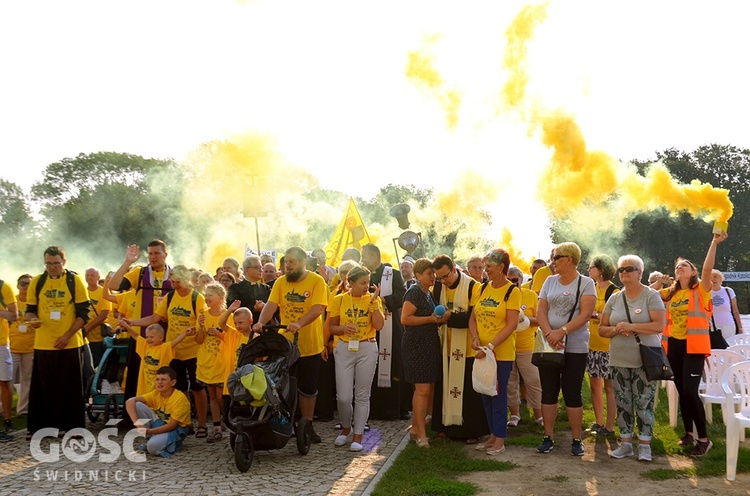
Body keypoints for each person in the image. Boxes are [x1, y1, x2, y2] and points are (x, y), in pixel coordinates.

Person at [660, 231, 727, 456]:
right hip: (675, 347)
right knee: (681, 390)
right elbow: (646, 294)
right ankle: (689, 434)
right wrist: (658, 282)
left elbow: (708, 270)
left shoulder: (700, 290)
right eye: (678, 266)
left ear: (693, 272)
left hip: (694, 347)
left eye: (685, 266)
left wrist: (714, 242)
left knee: (690, 391)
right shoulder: (671, 293)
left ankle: (704, 439)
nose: (680, 268)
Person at [252, 246, 328, 443]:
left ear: (303, 262)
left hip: (310, 344)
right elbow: (271, 305)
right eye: (286, 262)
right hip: (286, 346)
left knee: (308, 387)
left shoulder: (316, 281)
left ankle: (307, 424)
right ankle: (285, 421)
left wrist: (300, 323)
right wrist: (261, 322)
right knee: (284, 384)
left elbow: (318, 309)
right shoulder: (280, 282)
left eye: (292, 262)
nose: (288, 266)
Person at [124, 265, 209, 438]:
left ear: (186, 280)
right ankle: (185, 422)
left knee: (197, 388)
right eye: (172, 281)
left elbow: (203, 323)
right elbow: (154, 318)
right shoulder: (169, 297)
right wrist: (132, 322)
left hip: (193, 351)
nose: (174, 284)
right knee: (179, 388)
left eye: (177, 281)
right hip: (174, 350)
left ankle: (201, 424)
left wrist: (195, 329)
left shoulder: (196, 298)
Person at [599, 255, 666, 462]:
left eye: (629, 269)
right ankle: (626, 443)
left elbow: (659, 326)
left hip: (644, 359)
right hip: (619, 359)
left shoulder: (651, 296)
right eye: (621, 270)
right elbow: (602, 329)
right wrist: (615, 329)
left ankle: (645, 445)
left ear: (640, 273)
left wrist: (631, 327)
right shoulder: (615, 298)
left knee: (643, 403)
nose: (624, 273)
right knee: (623, 402)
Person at [535, 242, 596, 456]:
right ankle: (548, 436)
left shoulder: (586, 283)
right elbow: (541, 310)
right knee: (549, 391)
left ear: (569, 259)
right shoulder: (549, 281)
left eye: (556, 257)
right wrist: (549, 334)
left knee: (572, 393)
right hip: (550, 345)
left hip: (575, 347)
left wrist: (561, 331)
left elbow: (586, 314)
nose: (552, 262)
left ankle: (577, 439)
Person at [26, 246, 90, 439]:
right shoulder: (37, 282)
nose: (52, 267)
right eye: (48, 264)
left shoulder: (74, 280)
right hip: (44, 343)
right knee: (43, 387)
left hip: (70, 343)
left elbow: (83, 315)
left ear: (64, 262)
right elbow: (30, 309)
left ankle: (73, 428)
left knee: (70, 387)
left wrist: (67, 335)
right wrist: (32, 319)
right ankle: (39, 428)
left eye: (56, 263)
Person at [109, 240, 174, 415]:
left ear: (165, 255)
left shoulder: (174, 275)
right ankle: (134, 416)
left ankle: (169, 415)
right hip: (141, 338)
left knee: (167, 378)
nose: (153, 257)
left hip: (167, 338)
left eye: (157, 253)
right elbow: (113, 286)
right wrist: (128, 262)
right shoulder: (140, 273)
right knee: (137, 377)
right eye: (150, 253)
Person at [430, 254, 488, 443]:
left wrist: (449, 318)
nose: (443, 281)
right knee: (446, 388)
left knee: (469, 393)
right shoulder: (439, 286)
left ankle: (471, 431)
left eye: (446, 276)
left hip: (468, 348)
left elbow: (474, 317)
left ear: (455, 269)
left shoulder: (473, 286)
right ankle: (445, 427)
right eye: (439, 278)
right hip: (447, 346)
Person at [468, 249, 521, 455]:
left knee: (497, 395)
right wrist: (475, 338)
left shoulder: (512, 291)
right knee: (485, 393)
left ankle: (500, 439)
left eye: (489, 266)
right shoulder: (482, 288)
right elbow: (473, 318)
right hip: (481, 351)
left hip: (501, 354)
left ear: (501, 267)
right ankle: (492, 435)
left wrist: (490, 347)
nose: (485, 270)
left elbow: (511, 325)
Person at [329, 266, 384, 451]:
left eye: (368, 282)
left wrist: (375, 304)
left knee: (362, 394)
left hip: (367, 346)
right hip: (345, 347)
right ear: (350, 283)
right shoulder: (339, 299)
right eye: (363, 283)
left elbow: (379, 325)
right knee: (343, 396)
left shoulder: (372, 299)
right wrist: (344, 329)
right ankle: (346, 428)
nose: (366, 286)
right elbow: (331, 328)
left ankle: (358, 435)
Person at [401, 258, 447, 448]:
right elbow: (405, 318)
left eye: (434, 274)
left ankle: (416, 429)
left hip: (428, 345)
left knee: (428, 389)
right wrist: (429, 319)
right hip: (416, 346)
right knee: (422, 390)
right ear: (418, 275)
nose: (433, 277)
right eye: (429, 274)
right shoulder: (414, 292)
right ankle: (420, 434)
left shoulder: (427, 293)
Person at [361, 243, 410, 421]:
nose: (362, 259)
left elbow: (402, 297)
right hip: (369, 329)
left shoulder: (393, 274)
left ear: (375, 257)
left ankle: (394, 408)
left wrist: (381, 299)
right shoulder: (362, 276)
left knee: (394, 365)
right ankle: (372, 409)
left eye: (364, 255)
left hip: (390, 328)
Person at [586, 254, 619, 438]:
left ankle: (609, 426)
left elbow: (616, 318)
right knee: (594, 385)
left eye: (592, 267)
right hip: (592, 345)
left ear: (601, 270)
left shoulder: (614, 292)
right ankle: (598, 422)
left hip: (609, 346)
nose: (589, 269)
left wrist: (596, 315)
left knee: (610, 387)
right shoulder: (592, 288)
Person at [506, 266, 543, 428]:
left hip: (527, 346)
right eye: (509, 280)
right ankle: (514, 415)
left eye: (515, 280)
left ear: (522, 280)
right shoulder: (503, 295)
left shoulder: (530, 295)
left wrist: (524, 319)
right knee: (509, 382)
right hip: (506, 346)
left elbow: (540, 319)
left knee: (533, 381)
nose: (512, 283)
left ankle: (539, 415)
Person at [125, 366, 191, 457]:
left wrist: (149, 431)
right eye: (157, 379)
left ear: (173, 382)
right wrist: (137, 423)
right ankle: (154, 438)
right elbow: (129, 401)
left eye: (163, 379)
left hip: (175, 430)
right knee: (137, 405)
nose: (159, 382)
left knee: (152, 448)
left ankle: (173, 443)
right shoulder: (156, 393)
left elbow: (172, 425)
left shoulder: (180, 399)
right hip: (160, 423)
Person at [195, 282, 230, 442]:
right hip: (207, 361)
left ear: (221, 297)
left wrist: (219, 334)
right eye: (206, 295)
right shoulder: (203, 315)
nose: (207, 298)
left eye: (211, 295)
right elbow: (199, 340)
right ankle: (216, 427)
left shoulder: (227, 315)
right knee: (212, 396)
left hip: (222, 361)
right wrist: (201, 326)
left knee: (221, 395)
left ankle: (227, 420)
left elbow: (233, 338)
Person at [117, 322, 192, 396]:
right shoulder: (145, 346)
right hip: (144, 389)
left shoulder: (164, 348)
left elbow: (175, 342)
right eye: (147, 337)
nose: (149, 339)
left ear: (161, 337)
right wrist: (125, 325)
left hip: (158, 389)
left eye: (152, 337)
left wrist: (185, 333)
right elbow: (136, 335)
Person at [9, 274, 34, 417]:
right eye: (23, 284)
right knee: (6, 379)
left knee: (27, 379)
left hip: (30, 345)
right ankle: (1, 407)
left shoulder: (34, 302)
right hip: (12, 345)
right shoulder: (12, 301)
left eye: (29, 284)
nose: (25, 287)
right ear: (18, 286)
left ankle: (23, 409)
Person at [226, 255, 271, 324]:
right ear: (247, 269)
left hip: (265, 328)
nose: (261, 270)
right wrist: (253, 308)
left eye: (261, 267)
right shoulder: (235, 288)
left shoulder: (266, 288)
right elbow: (234, 310)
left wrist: (265, 307)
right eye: (257, 267)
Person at [82, 267, 111, 367]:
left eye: (92, 275)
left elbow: (104, 314)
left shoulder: (103, 292)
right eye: (88, 275)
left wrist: (87, 328)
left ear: (98, 277)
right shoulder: (82, 291)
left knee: (99, 366)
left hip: (98, 338)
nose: (90, 278)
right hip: (84, 338)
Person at [0, 276, 18, 433]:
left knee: (4, 383)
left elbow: (14, 315)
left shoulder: (4, 287)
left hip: (1, 343)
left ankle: (7, 420)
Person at [710, 269, 744, 339]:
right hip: (712, 327)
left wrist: (740, 328)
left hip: (728, 325)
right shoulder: (706, 293)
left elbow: (735, 311)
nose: (713, 279)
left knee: (729, 348)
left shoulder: (728, 291)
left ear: (721, 279)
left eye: (715, 277)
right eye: (710, 277)